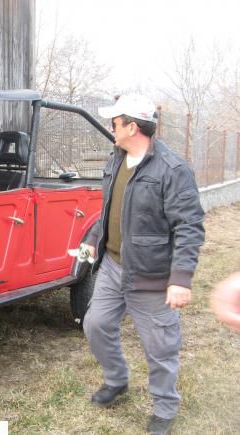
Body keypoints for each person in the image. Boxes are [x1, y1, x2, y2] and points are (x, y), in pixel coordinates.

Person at [82, 94, 205, 435]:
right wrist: (92, 241)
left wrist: (180, 278)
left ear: (132, 127)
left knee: (160, 346)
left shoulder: (173, 169)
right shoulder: (115, 159)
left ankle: (165, 407)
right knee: (96, 324)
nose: (111, 128)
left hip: (152, 275)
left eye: (115, 123)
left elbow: (189, 226)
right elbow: (110, 208)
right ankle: (117, 379)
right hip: (112, 267)